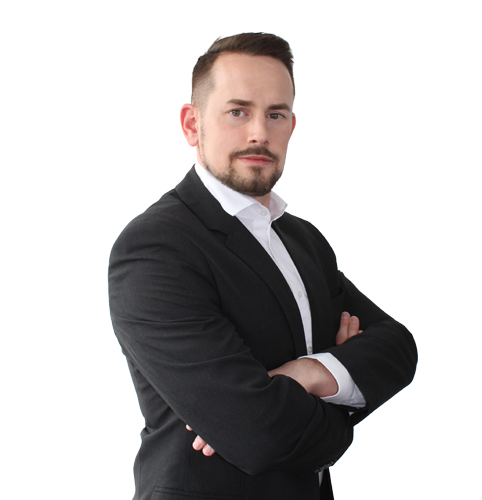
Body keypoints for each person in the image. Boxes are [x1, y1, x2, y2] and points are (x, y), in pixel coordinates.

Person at [108, 32, 418, 500]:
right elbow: (259, 433)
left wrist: (308, 372)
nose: (260, 132)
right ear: (192, 125)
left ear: (291, 126)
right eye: (238, 112)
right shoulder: (156, 247)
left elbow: (398, 347)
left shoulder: (303, 240)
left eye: (276, 114)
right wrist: (343, 406)